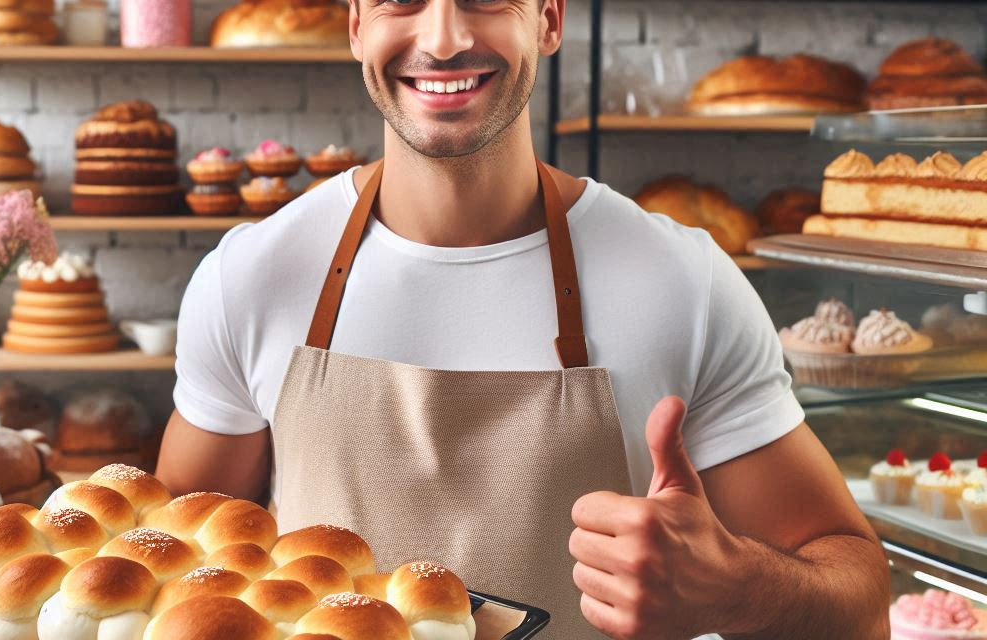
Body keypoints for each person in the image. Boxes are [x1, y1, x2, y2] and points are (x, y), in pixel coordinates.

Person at [155, 0, 891, 637]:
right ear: (356, 25)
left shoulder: (682, 283)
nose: (442, 38)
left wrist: (734, 589)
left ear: (548, 20)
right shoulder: (250, 277)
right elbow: (167, 575)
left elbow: (860, 611)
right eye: (400, 1)